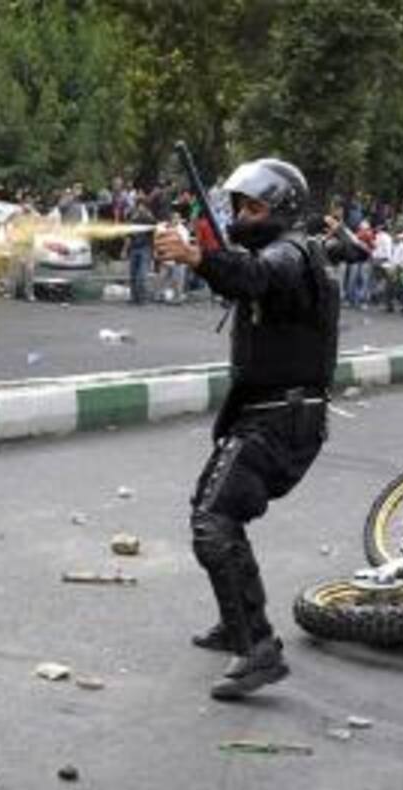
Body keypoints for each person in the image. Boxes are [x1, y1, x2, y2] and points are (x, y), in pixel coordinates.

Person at [153, 157, 358, 700]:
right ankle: (237, 623)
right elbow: (255, 275)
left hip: (279, 419)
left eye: (254, 207)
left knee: (214, 521)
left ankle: (258, 647)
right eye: (239, 206)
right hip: (270, 412)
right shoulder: (299, 249)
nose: (243, 216)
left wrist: (198, 257)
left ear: (282, 208)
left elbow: (259, 276)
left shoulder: (290, 254)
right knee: (214, 509)